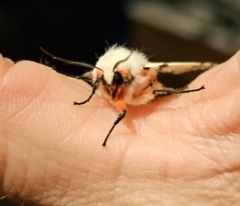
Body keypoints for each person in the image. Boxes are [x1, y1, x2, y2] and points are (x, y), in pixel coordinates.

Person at [0, 51, 239, 205]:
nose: (108, 86)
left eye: (113, 81)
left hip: (145, 91)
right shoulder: (101, 75)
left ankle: (182, 92)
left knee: (139, 97)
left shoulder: (134, 74)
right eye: (100, 81)